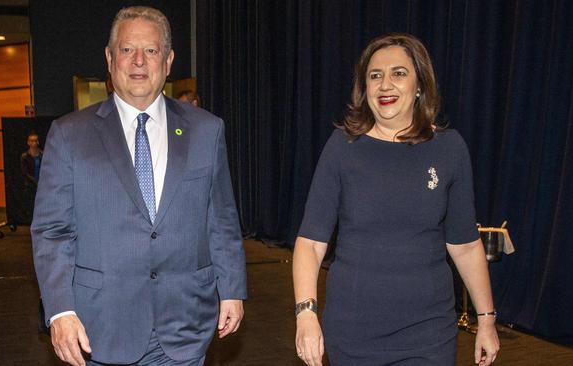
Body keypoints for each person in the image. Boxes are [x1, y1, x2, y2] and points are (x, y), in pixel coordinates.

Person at [32, 6, 246, 366]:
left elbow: (220, 219)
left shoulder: (207, 130)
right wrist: (60, 311)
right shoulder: (69, 135)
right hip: (99, 331)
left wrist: (232, 290)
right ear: (109, 57)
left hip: (185, 327)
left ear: (168, 60)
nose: (139, 62)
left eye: (151, 51)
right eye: (127, 50)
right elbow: (52, 231)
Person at [292, 33, 500, 366]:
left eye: (398, 73)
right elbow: (311, 242)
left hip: (429, 334)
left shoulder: (450, 149)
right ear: (365, 88)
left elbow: (465, 245)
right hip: (353, 333)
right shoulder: (341, 148)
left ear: (420, 85)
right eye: (375, 76)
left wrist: (487, 320)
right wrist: (306, 315)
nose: (385, 85)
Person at [20, 131, 43, 222]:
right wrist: (35, 182)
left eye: (35, 141)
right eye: (32, 141)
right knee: (30, 207)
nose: (34, 143)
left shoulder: (43, 154)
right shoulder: (24, 156)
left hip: (42, 185)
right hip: (30, 186)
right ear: (28, 142)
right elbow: (24, 173)